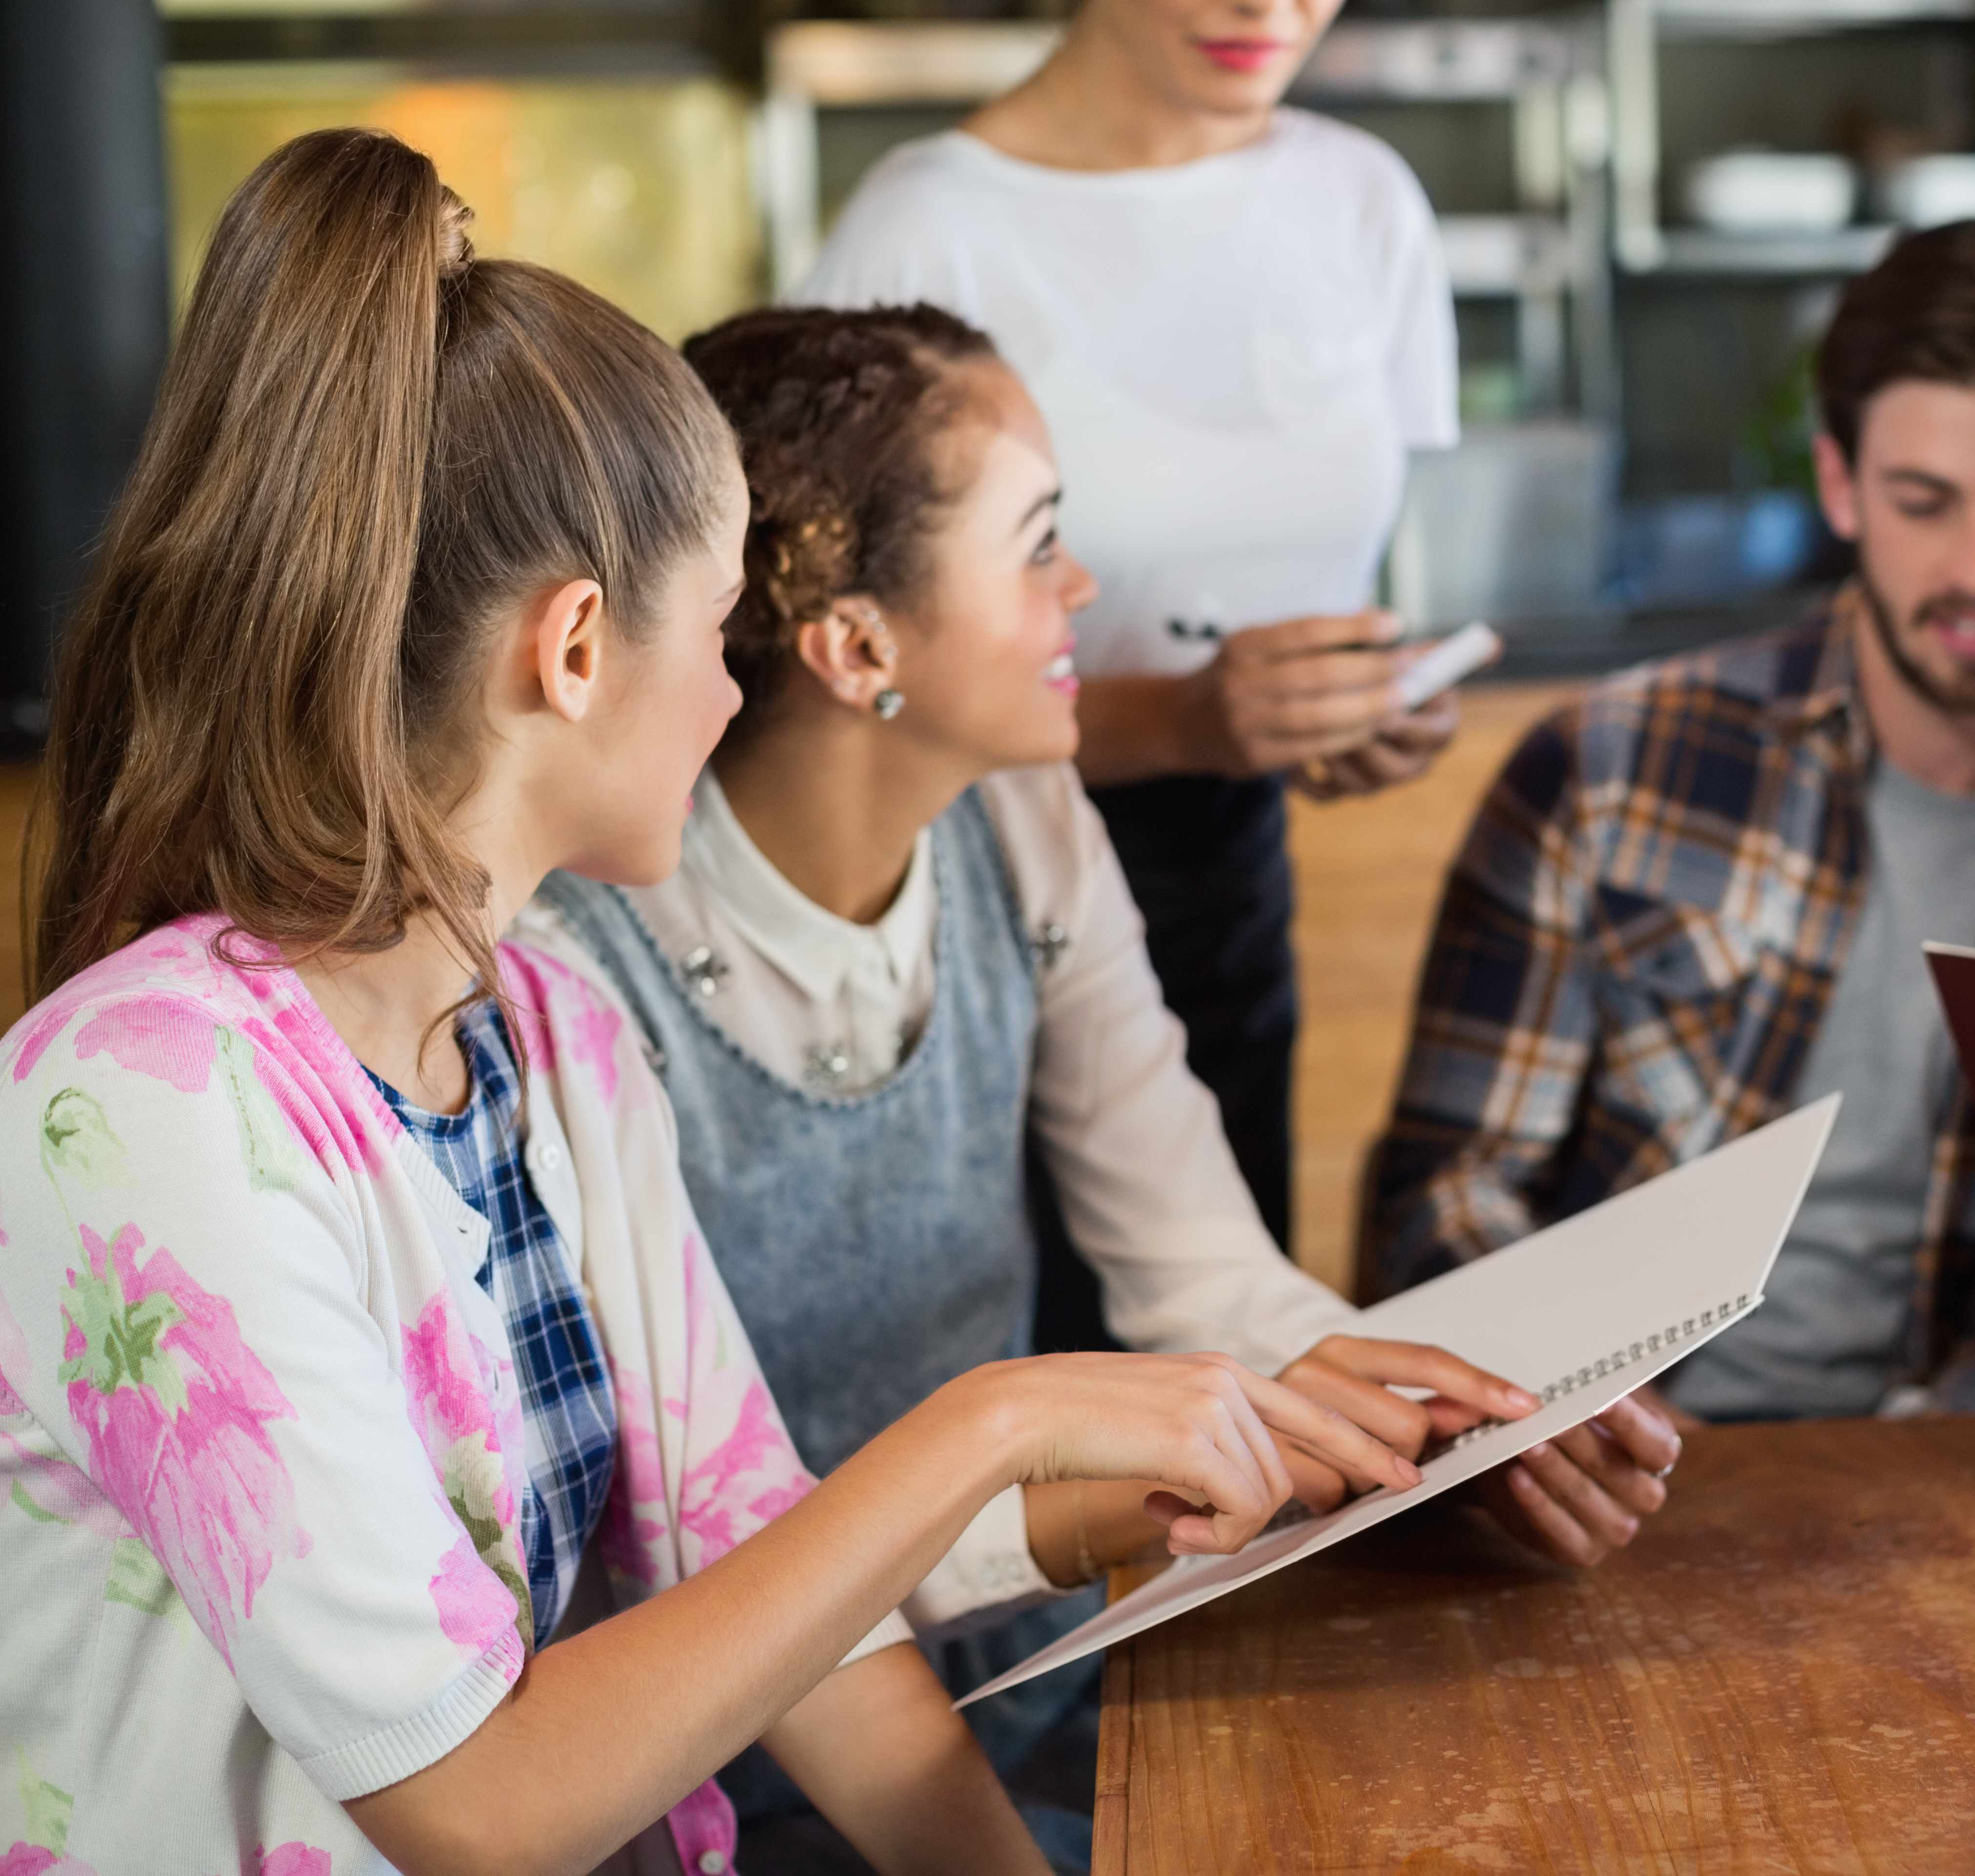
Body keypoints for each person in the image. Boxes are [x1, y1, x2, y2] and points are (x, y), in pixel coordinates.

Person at [0, 129, 1421, 1876]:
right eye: (724, 621)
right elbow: (475, 1808)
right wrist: (993, 1426)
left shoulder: (554, 1042)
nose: (740, 697)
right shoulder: (142, 1103)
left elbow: (761, 1558)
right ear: (577, 649)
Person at [510, 301, 1677, 1872]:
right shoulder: (576, 960)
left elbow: (1196, 1266)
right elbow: (684, 1553)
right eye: (1040, 543)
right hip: (710, 1757)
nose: (1085, 592)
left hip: (1024, 1670)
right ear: (859, 648)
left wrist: (1453, 1430)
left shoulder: (1033, 825)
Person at [1367, 217, 1975, 1420]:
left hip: (1928, 1498)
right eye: (1926, 501)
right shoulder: (1609, 767)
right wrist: (1573, 1434)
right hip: (1582, 1461)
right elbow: (1444, 1195)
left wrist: (1917, 1507)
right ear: (1841, 487)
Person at [793, 0, 1467, 1312]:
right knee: (1014, 1366)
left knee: (1227, 1347)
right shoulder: (931, 221)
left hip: (1229, 876)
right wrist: (1186, 720)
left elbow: (1350, 569)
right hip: (958, 894)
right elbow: (827, 680)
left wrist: (1354, 704)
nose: (1266, 10)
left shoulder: (1363, 201)